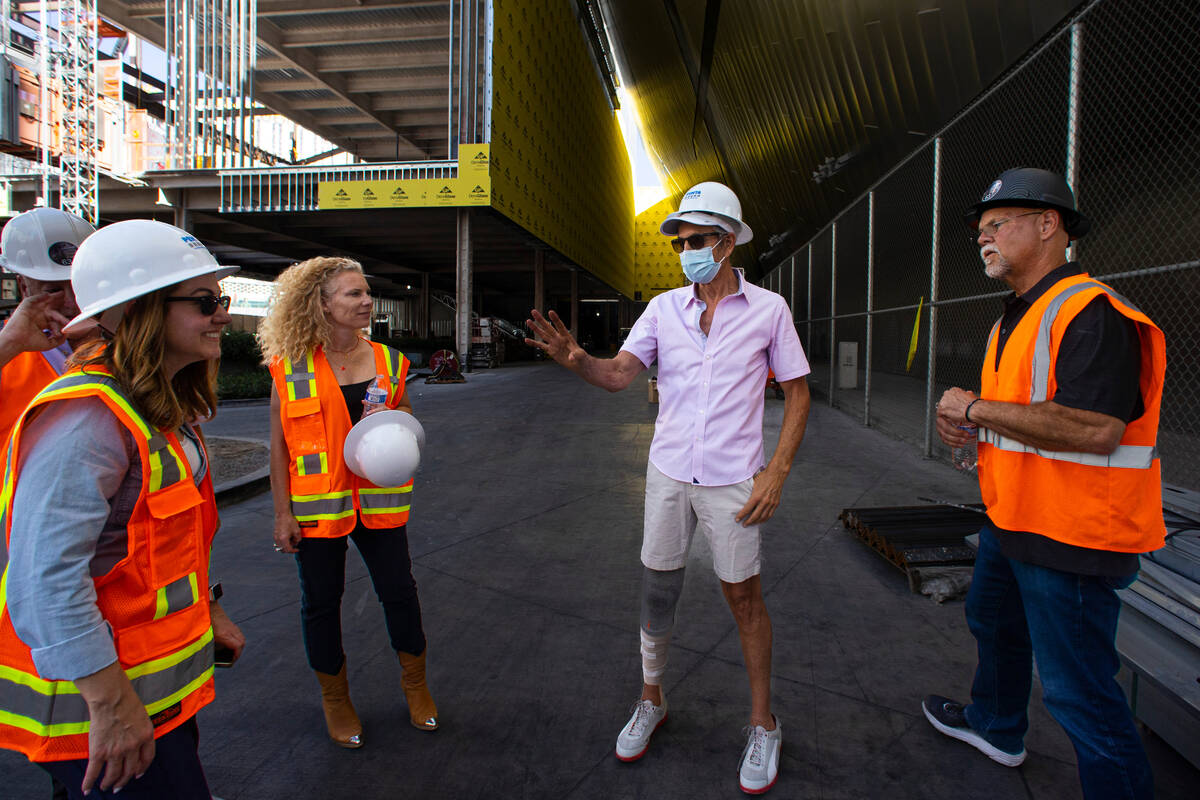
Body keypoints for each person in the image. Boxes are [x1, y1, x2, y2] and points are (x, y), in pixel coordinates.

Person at [525, 181, 811, 795]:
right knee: (659, 589)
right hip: (668, 473)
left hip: (737, 479)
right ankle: (651, 699)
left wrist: (777, 471)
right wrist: (577, 359)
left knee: (744, 598)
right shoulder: (661, 310)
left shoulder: (769, 311)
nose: (687, 252)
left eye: (699, 240)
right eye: (681, 242)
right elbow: (619, 376)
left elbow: (798, 392)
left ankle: (764, 723)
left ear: (729, 242)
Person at [924, 167, 1164, 800]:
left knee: (1078, 691)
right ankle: (997, 726)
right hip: (1016, 517)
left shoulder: (1091, 313)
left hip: (1074, 534)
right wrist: (972, 431)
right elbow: (1019, 415)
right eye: (980, 231)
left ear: (1049, 225)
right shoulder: (1015, 318)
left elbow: (1094, 429)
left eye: (997, 225)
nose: (984, 239)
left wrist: (974, 409)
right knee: (993, 621)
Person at [0, 219, 247, 798]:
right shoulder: (89, 420)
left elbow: (159, 546)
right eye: (204, 301)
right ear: (140, 311)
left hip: (148, 700)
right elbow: (43, 582)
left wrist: (205, 609)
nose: (222, 315)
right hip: (102, 716)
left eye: (222, 299)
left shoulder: (155, 405)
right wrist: (110, 705)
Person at [257, 256, 436, 749]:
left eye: (366, 292)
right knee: (320, 603)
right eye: (353, 294)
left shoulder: (390, 361)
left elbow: (405, 423)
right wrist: (281, 513)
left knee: (399, 591)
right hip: (317, 509)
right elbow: (278, 446)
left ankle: (416, 686)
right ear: (321, 303)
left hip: (379, 503)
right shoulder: (287, 366)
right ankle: (336, 700)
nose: (366, 301)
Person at [0, 207, 97, 444]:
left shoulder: (127, 341)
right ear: (24, 287)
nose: (71, 302)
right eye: (52, 290)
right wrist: (10, 343)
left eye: (78, 286)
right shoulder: (8, 348)